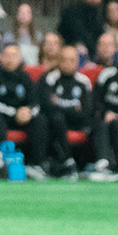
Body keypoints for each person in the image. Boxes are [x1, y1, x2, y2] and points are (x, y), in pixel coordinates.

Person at [0, 43, 47, 180]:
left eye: (14, 56)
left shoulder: (25, 77)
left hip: (22, 118)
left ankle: (36, 164)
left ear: (20, 59)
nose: (10, 59)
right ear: (0, 57)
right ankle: (1, 163)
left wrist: (28, 112)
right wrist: (15, 113)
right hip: (0, 116)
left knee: (40, 120)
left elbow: (36, 102)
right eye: (7, 55)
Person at [39, 46, 92, 178]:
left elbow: (87, 110)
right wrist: (72, 109)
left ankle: (100, 164)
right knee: (56, 118)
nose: (68, 63)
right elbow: (47, 106)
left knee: (98, 121)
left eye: (72, 60)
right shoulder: (50, 78)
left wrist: (59, 104)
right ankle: (66, 161)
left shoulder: (84, 81)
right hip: (55, 124)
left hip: (77, 122)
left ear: (77, 62)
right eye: (64, 60)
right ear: (58, 61)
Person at [90, 61, 118, 181]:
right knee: (104, 122)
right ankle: (105, 164)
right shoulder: (107, 75)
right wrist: (105, 112)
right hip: (108, 118)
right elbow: (96, 99)